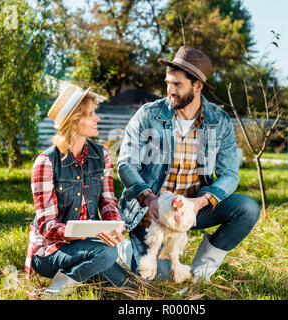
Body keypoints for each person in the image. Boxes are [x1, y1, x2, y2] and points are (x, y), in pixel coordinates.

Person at [117, 46, 260, 281]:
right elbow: (125, 164)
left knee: (248, 208)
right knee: (158, 279)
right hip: (151, 212)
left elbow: (230, 174)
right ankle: (125, 250)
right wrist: (149, 199)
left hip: (192, 209)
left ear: (197, 85)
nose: (170, 90)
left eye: (177, 85)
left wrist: (200, 202)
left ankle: (201, 270)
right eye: (168, 83)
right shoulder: (148, 115)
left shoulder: (219, 121)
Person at [25, 84, 132, 296]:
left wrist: (114, 228)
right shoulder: (46, 162)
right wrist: (80, 233)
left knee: (129, 289)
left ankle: (82, 272)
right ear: (75, 120)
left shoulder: (102, 155)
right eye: (91, 114)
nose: (97, 119)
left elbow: (108, 202)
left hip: (91, 245)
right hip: (49, 251)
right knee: (107, 253)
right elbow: (47, 225)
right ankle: (55, 292)